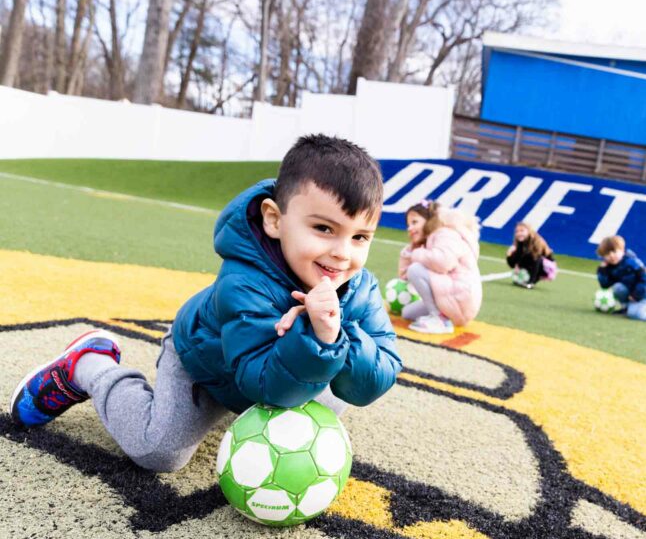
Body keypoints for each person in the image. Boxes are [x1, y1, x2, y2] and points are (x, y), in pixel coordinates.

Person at [9, 135, 402, 472]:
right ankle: (90, 365)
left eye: (360, 238)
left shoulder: (358, 286)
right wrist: (322, 336)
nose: (341, 254)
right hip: (207, 364)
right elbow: (261, 382)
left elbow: (378, 374)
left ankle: (309, 359)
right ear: (274, 220)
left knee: (331, 403)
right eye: (323, 228)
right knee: (158, 451)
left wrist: (334, 334)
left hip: (288, 364)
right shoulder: (244, 282)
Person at [398, 201, 482, 334]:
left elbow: (444, 262)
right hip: (451, 297)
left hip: (460, 297)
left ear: (428, 220)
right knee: (407, 313)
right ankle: (437, 314)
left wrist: (416, 253)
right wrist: (411, 250)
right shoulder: (428, 243)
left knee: (415, 269)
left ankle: (440, 319)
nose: (410, 228)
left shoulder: (445, 233)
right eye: (408, 225)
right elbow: (404, 275)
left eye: (414, 222)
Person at [595, 235, 646, 323]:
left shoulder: (632, 262)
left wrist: (635, 295)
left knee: (634, 314)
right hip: (629, 293)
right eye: (607, 254)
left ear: (622, 250)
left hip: (643, 295)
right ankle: (625, 308)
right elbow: (605, 285)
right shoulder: (609, 267)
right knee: (618, 288)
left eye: (614, 251)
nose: (611, 256)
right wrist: (602, 271)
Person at [506, 221, 555, 289]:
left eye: (522, 231)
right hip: (532, 262)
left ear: (529, 231)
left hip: (546, 267)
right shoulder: (520, 242)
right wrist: (509, 256)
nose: (519, 233)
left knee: (534, 257)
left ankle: (532, 281)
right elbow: (512, 264)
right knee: (518, 254)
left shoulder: (537, 241)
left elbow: (537, 260)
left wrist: (532, 281)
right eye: (517, 231)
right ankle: (527, 278)